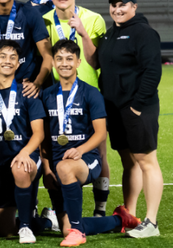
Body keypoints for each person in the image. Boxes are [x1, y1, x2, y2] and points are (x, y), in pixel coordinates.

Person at [40, 40, 140, 246]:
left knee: (66, 168)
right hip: (57, 163)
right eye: (59, 59)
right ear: (53, 63)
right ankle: (119, 219)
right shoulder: (46, 95)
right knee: (64, 228)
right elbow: (43, 138)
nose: (64, 63)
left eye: (69, 59)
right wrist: (47, 169)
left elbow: (101, 133)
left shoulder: (90, 92)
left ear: (78, 62)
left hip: (87, 159)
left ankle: (78, 232)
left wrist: (80, 150)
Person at [87, 0, 163, 238]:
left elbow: (153, 71)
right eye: (114, 5)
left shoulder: (144, 33)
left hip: (137, 109)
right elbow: (97, 63)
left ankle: (151, 222)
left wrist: (137, 107)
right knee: (129, 162)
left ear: (134, 7)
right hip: (115, 110)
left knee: (146, 162)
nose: (117, 9)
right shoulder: (110, 34)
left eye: (123, 5)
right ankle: (130, 213)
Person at [42, 0, 110, 217]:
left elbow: (95, 61)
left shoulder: (94, 19)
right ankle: (65, 210)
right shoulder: (45, 20)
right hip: (59, 95)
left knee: (100, 151)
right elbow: (48, 59)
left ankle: (100, 208)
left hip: (89, 92)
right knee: (58, 149)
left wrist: (82, 32)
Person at [0, 40, 45, 242]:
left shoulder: (28, 92)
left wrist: (25, 153)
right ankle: (44, 221)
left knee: (20, 167)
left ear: (18, 64)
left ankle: (26, 227)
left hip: (25, 158)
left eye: (12, 58)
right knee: (4, 231)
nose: (7, 61)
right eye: (2, 57)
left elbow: (39, 133)